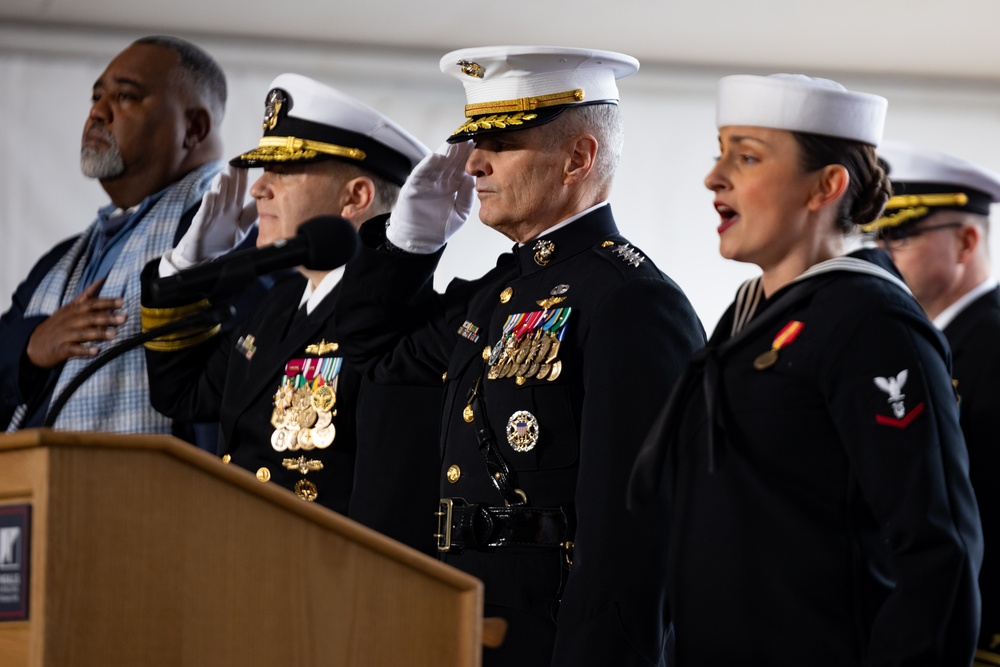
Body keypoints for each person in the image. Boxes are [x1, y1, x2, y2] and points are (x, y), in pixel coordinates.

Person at [332, 46, 705, 666]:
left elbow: (632, 542)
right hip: (457, 624)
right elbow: (371, 362)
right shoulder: (496, 295)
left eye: (500, 143)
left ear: (578, 158)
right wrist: (408, 244)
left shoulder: (629, 300)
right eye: (474, 141)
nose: (473, 161)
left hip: (548, 640)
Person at [629, 74, 984, 665]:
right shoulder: (749, 318)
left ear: (825, 186)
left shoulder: (872, 321)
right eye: (720, 152)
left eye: (746, 156)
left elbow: (935, 551)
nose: (714, 177)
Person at [139, 73, 443, 553]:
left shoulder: (399, 322)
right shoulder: (280, 304)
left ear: (356, 197)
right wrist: (186, 268)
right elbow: (183, 393)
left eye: (283, 172)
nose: (259, 190)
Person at [0, 35, 227, 437]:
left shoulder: (225, 237)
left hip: (157, 491)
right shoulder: (61, 262)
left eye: (124, 96)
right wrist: (32, 346)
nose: (97, 112)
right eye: (96, 96)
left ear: (193, 127)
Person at [865, 141, 1000, 667]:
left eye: (900, 235)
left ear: (967, 240)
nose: (881, 252)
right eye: (875, 235)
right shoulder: (919, 340)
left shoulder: (990, 343)